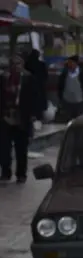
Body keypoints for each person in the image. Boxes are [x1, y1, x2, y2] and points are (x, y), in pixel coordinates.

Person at [0, 53, 38, 182]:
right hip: (6, 116)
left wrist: (33, 115)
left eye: (18, 64)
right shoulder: (4, 78)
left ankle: (21, 174)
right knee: (4, 148)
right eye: (13, 64)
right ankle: (5, 172)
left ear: (22, 65)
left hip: (22, 117)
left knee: (21, 148)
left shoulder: (28, 78)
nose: (16, 67)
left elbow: (34, 97)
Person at [57, 56, 83, 120]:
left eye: (71, 62)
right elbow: (60, 86)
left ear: (76, 63)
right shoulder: (64, 74)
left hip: (80, 102)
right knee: (68, 121)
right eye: (68, 63)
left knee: (81, 121)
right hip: (67, 102)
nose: (70, 64)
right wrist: (61, 98)